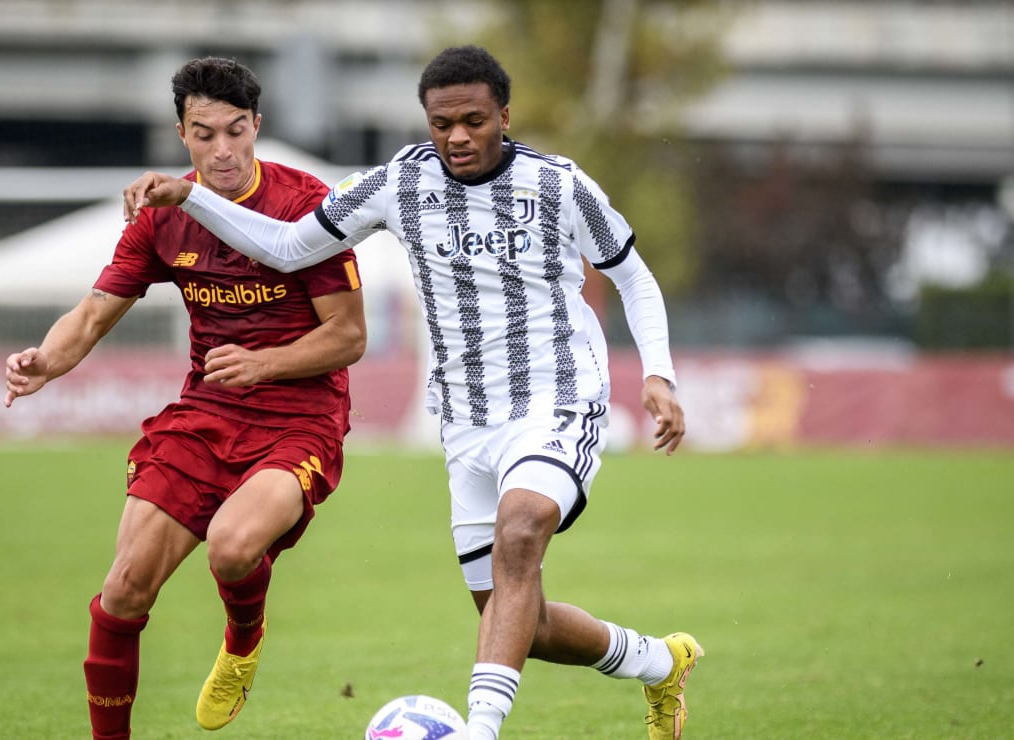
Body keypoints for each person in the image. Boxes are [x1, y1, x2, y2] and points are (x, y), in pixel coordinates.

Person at [124, 45, 699, 740]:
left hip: (557, 398)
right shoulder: (399, 183)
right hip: (466, 422)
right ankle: (658, 661)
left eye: (474, 120)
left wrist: (659, 374)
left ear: (504, 117)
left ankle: (477, 732)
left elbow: (633, 276)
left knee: (520, 535)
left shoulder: (561, 185)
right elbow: (287, 246)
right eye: (441, 123)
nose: (457, 136)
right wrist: (194, 197)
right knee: (523, 622)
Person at [4, 57, 366, 739]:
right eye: (205, 135)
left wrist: (264, 365)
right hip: (206, 413)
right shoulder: (163, 216)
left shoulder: (306, 204)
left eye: (236, 131)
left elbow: (347, 338)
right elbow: (90, 316)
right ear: (182, 135)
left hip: (299, 417)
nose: (223, 150)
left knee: (231, 548)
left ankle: (242, 637)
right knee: (122, 591)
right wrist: (44, 362)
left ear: (257, 125)